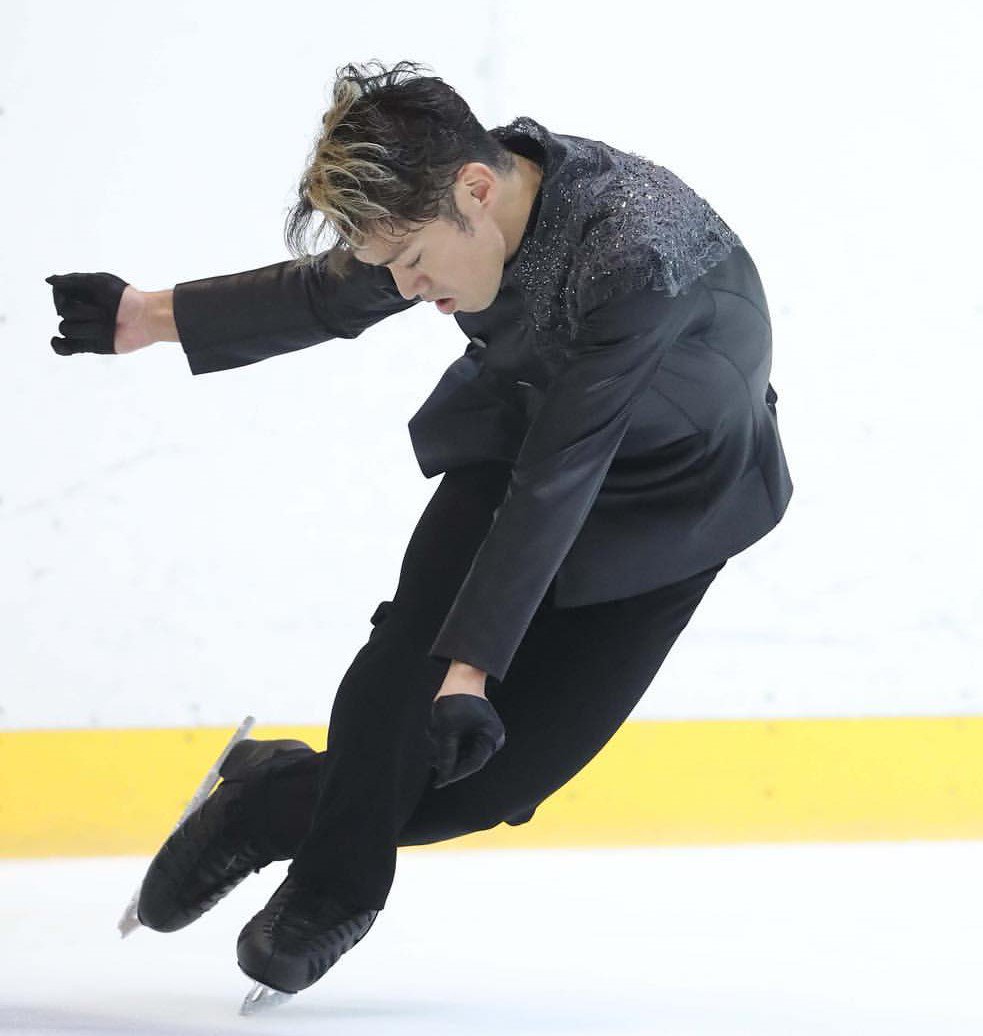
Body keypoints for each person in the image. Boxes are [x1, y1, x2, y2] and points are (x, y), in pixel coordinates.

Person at [45, 58, 793, 998]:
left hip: (668, 507)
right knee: (400, 676)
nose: (406, 286)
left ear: (475, 190)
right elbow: (330, 293)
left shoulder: (630, 256)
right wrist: (142, 316)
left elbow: (562, 477)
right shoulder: (452, 204)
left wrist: (469, 672)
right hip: (522, 433)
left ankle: (267, 801)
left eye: (411, 261)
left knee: (486, 778)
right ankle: (334, 893)